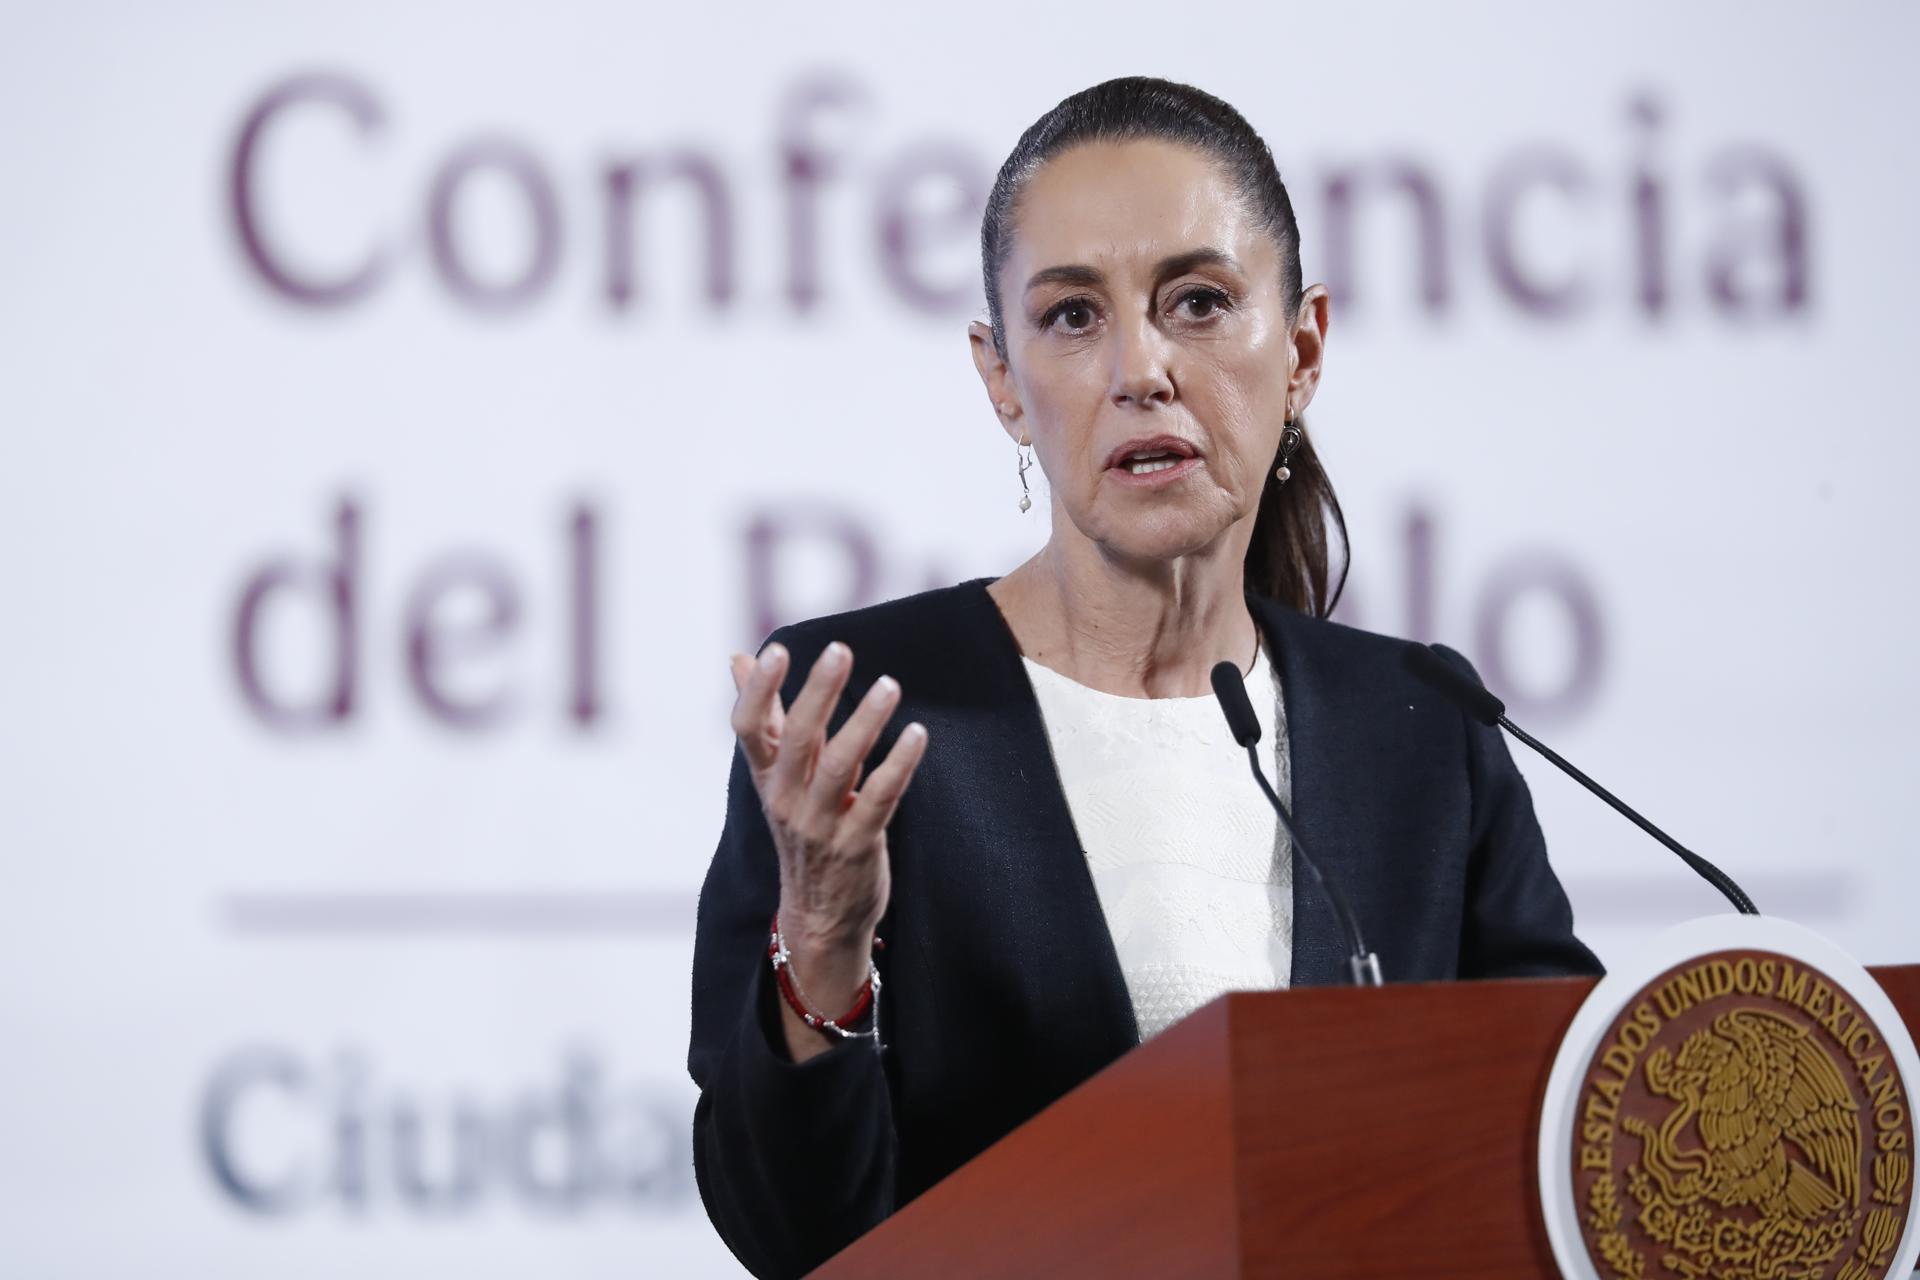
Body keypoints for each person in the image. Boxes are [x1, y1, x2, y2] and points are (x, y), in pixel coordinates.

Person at [687, 75, 1601, 1279]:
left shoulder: (1424, 731)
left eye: (1200, 301)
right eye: (1071, 316)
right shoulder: (865, 715)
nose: (1142, 367)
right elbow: (793, 1235)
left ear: (1305, 347)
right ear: (1002, 377)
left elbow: (1566, 1152)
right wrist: (820, 943)